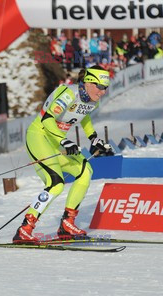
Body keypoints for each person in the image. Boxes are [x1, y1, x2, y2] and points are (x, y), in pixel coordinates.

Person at [13, 65, 113, 244]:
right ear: (88, 82)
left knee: (85, 171)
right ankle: (25, 229)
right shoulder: (68, 93)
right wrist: (63, 141)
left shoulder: (92, 99)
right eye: (100, 86)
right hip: (40, 136)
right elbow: (48, 119)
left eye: (105, 87)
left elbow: (85, 117)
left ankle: (67, 224)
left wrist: (93, 138)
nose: (102, 91)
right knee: (56, 183)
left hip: (57, 141)